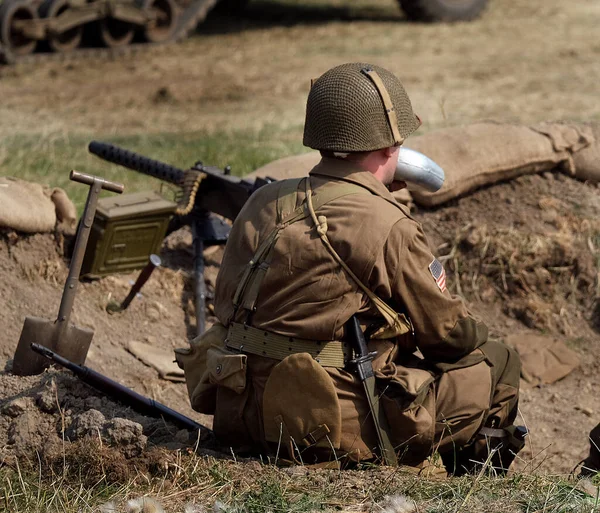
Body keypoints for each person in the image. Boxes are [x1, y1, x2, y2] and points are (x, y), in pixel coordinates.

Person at [179, 62, 523, 474]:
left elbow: (227, 306)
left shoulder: (262, 201)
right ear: (391, 145)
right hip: (323, 430)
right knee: (499, 360)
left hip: (240, 414)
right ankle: (468, 486)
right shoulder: (387, 222)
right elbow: (451, 338)